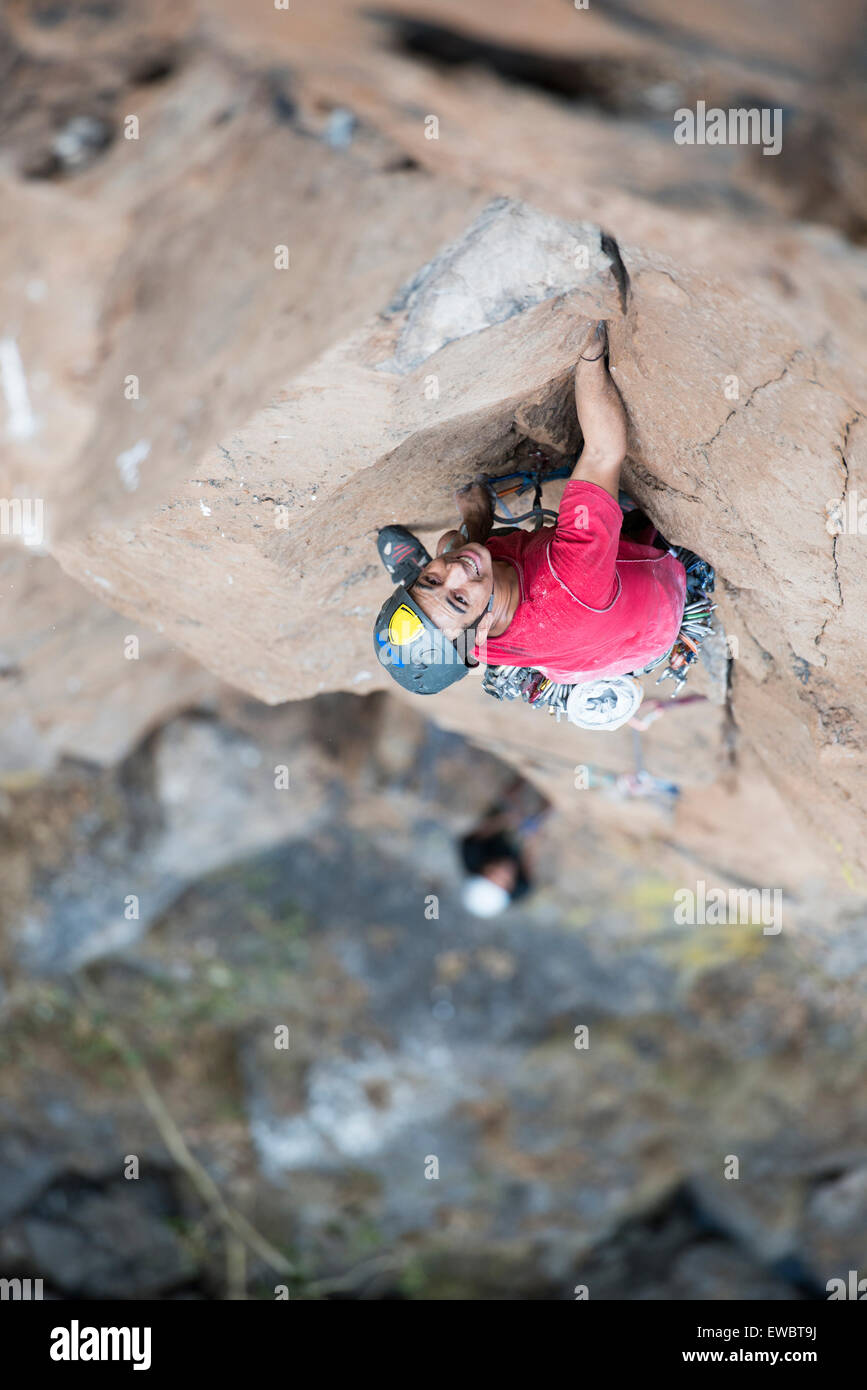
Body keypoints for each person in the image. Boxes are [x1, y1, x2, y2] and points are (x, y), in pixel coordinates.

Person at [373, 321, 687, 695]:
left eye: (430, 580)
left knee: (450, 545)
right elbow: (603, 451)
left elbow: (457, 581)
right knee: (454, 548)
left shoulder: (462, 640)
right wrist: (588, 354)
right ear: (482, 635)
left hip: (577, 656)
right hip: (655, 608)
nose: (454, 572)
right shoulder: (567, 579)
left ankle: (436, 593)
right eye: (457, 599)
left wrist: (478, 523)